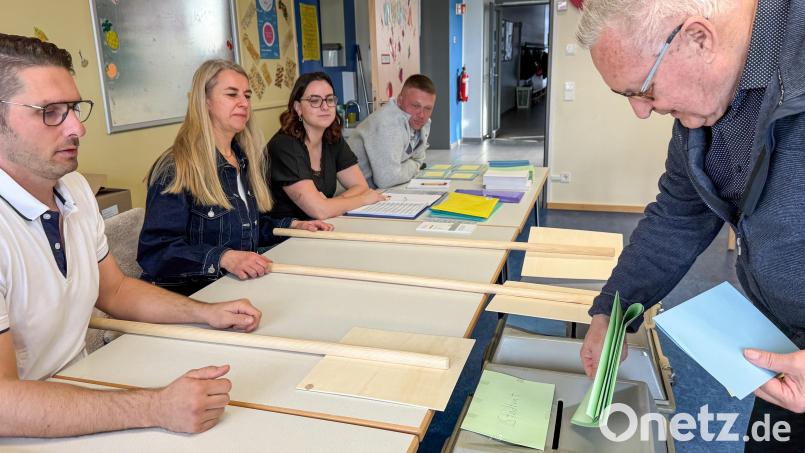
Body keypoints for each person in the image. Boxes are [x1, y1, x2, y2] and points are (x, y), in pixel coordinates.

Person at [0, 34, 263, 437]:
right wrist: (155, 406)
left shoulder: (74, 190)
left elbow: (117, 291)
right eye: (50, 111)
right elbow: (4, 404)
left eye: (74, 108)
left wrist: (205, 312)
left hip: (81, 391)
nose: (77, 128)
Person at [575, 0, 805, 449]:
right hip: (786, 351)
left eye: (643, 90)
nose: (641, 112)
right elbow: (678, 215)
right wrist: (614, 309)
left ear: (699, 38)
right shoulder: (705, 107)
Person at [138, 60, 332, 297]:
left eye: (247, 95)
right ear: (205, 102)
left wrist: (293, 225)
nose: (244, 103)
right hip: (191, 298)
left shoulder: (243, 159)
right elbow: (156, 252)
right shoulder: (177, 168)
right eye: (232, 94)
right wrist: (225, 257)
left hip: (234, 289)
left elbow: (245, 229)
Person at [267, 72, 385, 220]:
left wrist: (329, 204)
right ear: (298, 107)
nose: (325, 107)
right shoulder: (285, 146)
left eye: (329, 99)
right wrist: (363, 200)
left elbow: (360, 186)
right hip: (283, 236)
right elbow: (320, 211)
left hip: (319, 227)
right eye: (314, 101)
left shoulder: (331, 137)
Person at [347, 74, 436, 189]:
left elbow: (419, 158)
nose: (422, 115)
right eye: (415, 105)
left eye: (428, 108)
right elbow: (388, 179)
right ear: (400, 100)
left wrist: (410, 165)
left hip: (372, 191)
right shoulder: (387, 122)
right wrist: (414, 166)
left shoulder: (421, 121)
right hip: (345, 194)